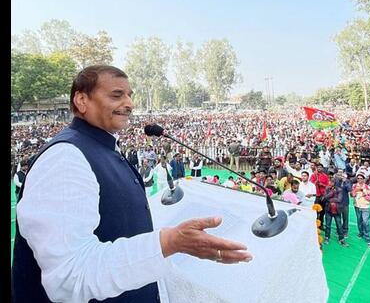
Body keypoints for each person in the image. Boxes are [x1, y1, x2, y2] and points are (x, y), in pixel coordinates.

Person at [13, 65, 252, 303]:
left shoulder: (100, 147)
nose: (129, 103)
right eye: (117, 95)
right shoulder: (65, 158)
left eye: (130, 95)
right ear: (82, 100)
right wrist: (169, 242)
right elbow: (70, 276)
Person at [323, 178, 349, 247]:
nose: (330, 183)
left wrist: (330, 199)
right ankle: (327, 237)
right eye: (330, 181)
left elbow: (339, 200)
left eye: (332, 182)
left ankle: (341, 239)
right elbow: (325, 198)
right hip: (328, 209)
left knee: (339, 225)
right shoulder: (327, 189)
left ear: (335, 183)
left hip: (337, 210)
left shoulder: (339, 190)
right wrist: (332, 193)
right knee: (328, 225)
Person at [351, 173, 370, 243]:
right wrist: (356, 190)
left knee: (365, 221)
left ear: (364, 179)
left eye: (361, 178)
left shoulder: (367, 187)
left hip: (365, 206)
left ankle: (367, 236)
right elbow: (352, 195)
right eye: (358, 178)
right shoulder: (354, 186)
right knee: (359, 220)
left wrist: (364, 194)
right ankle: (361, 233)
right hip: (357, 206)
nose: (359, 180)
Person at [310, 163, 330, 230]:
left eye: (320, 167)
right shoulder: (313, 175)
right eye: (318, 167)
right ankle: (314, 224)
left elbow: (328, 186)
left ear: (322, 168)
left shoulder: (325, 176)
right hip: (316, 195)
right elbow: (310, 184)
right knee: (315, 211)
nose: (319, 168)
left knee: (322, 211)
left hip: (323, 196)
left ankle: (321, 224)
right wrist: (316, 182)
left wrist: (322, 184)